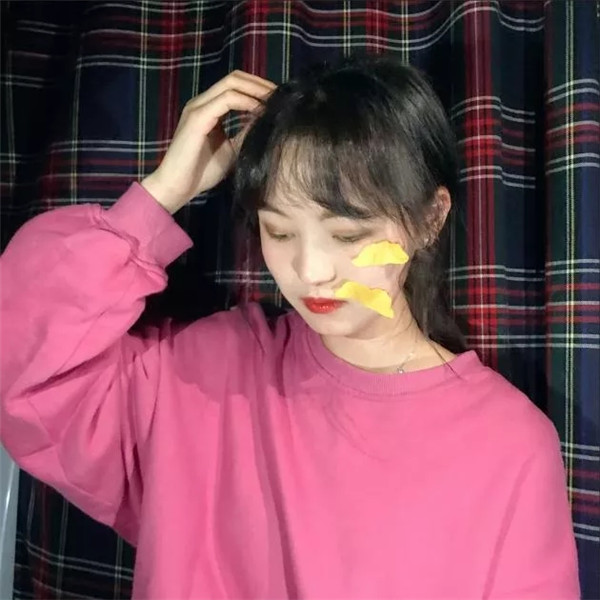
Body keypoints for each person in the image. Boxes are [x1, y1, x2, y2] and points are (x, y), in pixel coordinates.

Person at [0, 55, 580, 599]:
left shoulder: (508, 445)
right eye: (278, 231)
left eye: (348, 235)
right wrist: (158, 198)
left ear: (431, 219)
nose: (310, 270)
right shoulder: (206, 374)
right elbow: (22, 355)